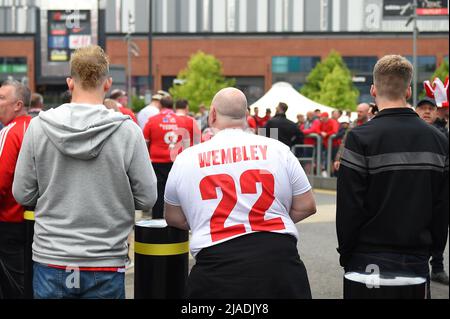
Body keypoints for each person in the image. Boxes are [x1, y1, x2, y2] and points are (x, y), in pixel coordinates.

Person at [12, 45, 157, 299]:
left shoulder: (38, 128)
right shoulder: (127, 131)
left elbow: (22, 193)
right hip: (105, 258)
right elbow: (147, 197)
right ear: (107, 83)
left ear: (70, 83)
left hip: (51, 255)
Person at [164, 87, 316, 299]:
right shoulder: (278, 149)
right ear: (246, 115)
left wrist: (208, 223)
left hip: (216, 264)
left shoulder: (186, 158)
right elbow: (307, 205)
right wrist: (262, 221)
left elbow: (173, 217)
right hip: (279, 261)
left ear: (213, 114)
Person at [336, 55, 449, 299]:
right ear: (408, 91)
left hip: (366, 258)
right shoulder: (439, 140)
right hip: (416, 259)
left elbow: (349, 206)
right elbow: (442, 206)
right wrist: (433, 249)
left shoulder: (359, 138)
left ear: (373, 90)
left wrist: (346, 253)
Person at [0, 80, 32, 299]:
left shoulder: (10, 132)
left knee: (12, 284)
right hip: (36, 221)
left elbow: (1, 182)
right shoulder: (38, 128)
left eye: (2, 97)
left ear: (18, 104)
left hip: (9, 221)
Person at [415, 96, 449, 285]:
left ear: (437, 112)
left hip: (439, 190)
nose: (427, 111)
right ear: (416, 110)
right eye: (423, 108)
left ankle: (437, 267)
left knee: (439, 227)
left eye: (431, 108)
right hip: (417, 190)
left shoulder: (444, 134)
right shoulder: (411, 132)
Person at [143, 96, 193, 219]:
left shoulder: (152, 120)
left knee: (159, 192)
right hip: (176, 161)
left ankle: (157, 220)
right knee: (177, 192)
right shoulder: (182, 121)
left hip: (157, 162)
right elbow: (186, 142)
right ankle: (177, 220)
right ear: (173, 106)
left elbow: (145, 142)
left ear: (160, 105)